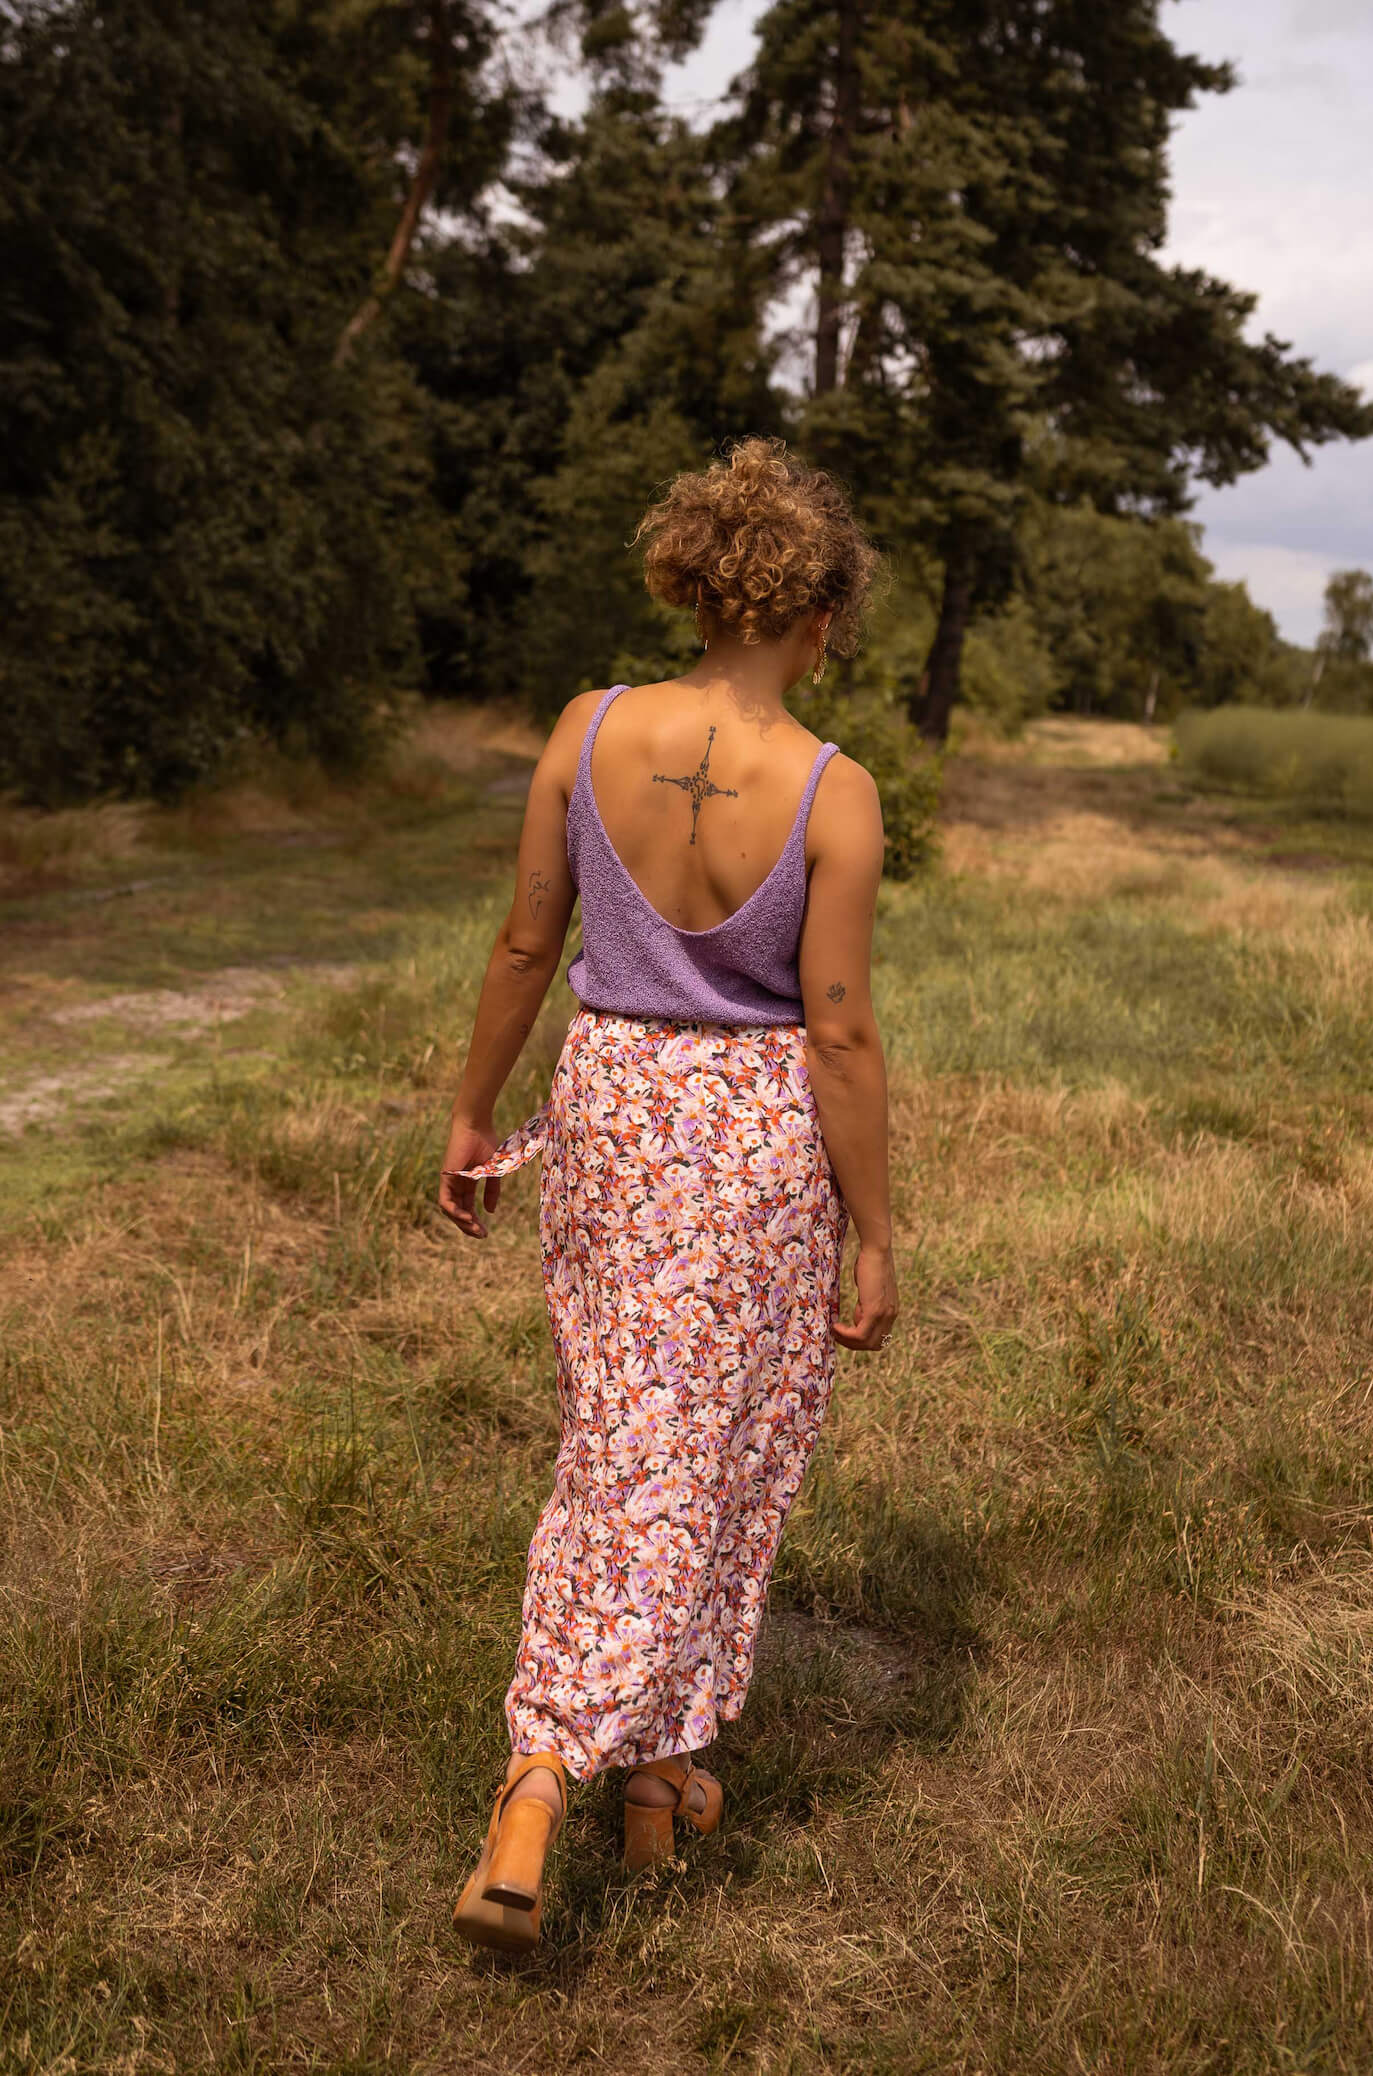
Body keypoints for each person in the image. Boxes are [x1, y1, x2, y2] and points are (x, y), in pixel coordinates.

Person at [439, 435, 898, 1955]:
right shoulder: (836, 794)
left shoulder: (590, 727)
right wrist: (877, 1234)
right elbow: (837, 1031)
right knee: (719, 1449)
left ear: (694, 583)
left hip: (618, 1106)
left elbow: (522, 946)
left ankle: (658, 1780)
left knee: (627, 1436)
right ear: (821, 616)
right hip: (759, 1139)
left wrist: (472, 1110)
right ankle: (549, 1771)